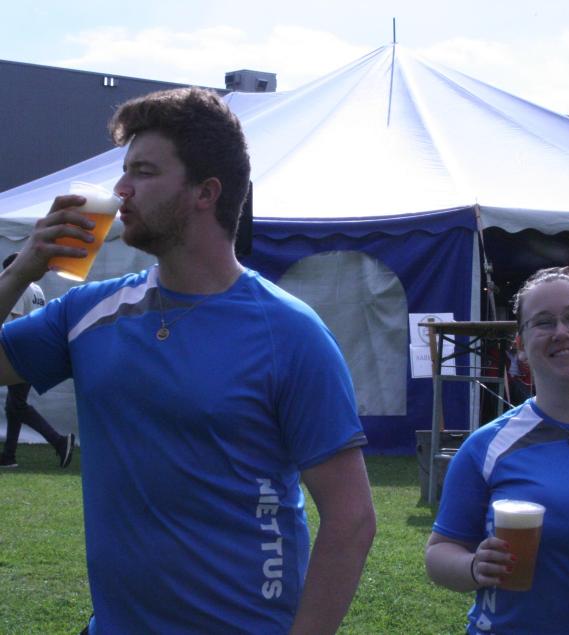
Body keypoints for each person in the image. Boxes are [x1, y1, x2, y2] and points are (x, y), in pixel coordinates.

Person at [0, 87, 375, 634]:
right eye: (124, 171)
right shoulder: (88, 313)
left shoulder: (289, 333)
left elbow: (351, 519)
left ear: (205, 192)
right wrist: (19, 271)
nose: (120, 189)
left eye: (144, 172)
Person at [425, 266, 569, 634]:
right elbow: (439, 553)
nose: (561, 332)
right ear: (520, 347)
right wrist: (473, 566)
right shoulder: (487, 446)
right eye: (543, 322)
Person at [0, 252, 74, 468]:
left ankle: (59, 442)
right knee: (14, 405)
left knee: (17, 405)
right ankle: (9, 456)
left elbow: (15, 321)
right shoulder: (37, 290)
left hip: (18, 351)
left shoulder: (20, 287)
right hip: (35, 351)